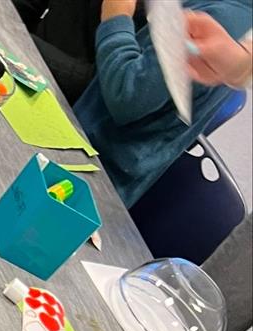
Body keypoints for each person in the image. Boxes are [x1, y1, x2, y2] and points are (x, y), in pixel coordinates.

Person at [73, 0, 252, 205]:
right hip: (91, 126)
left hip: (92, 167)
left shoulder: (224, 19)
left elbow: (127, 95)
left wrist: (116, 15)